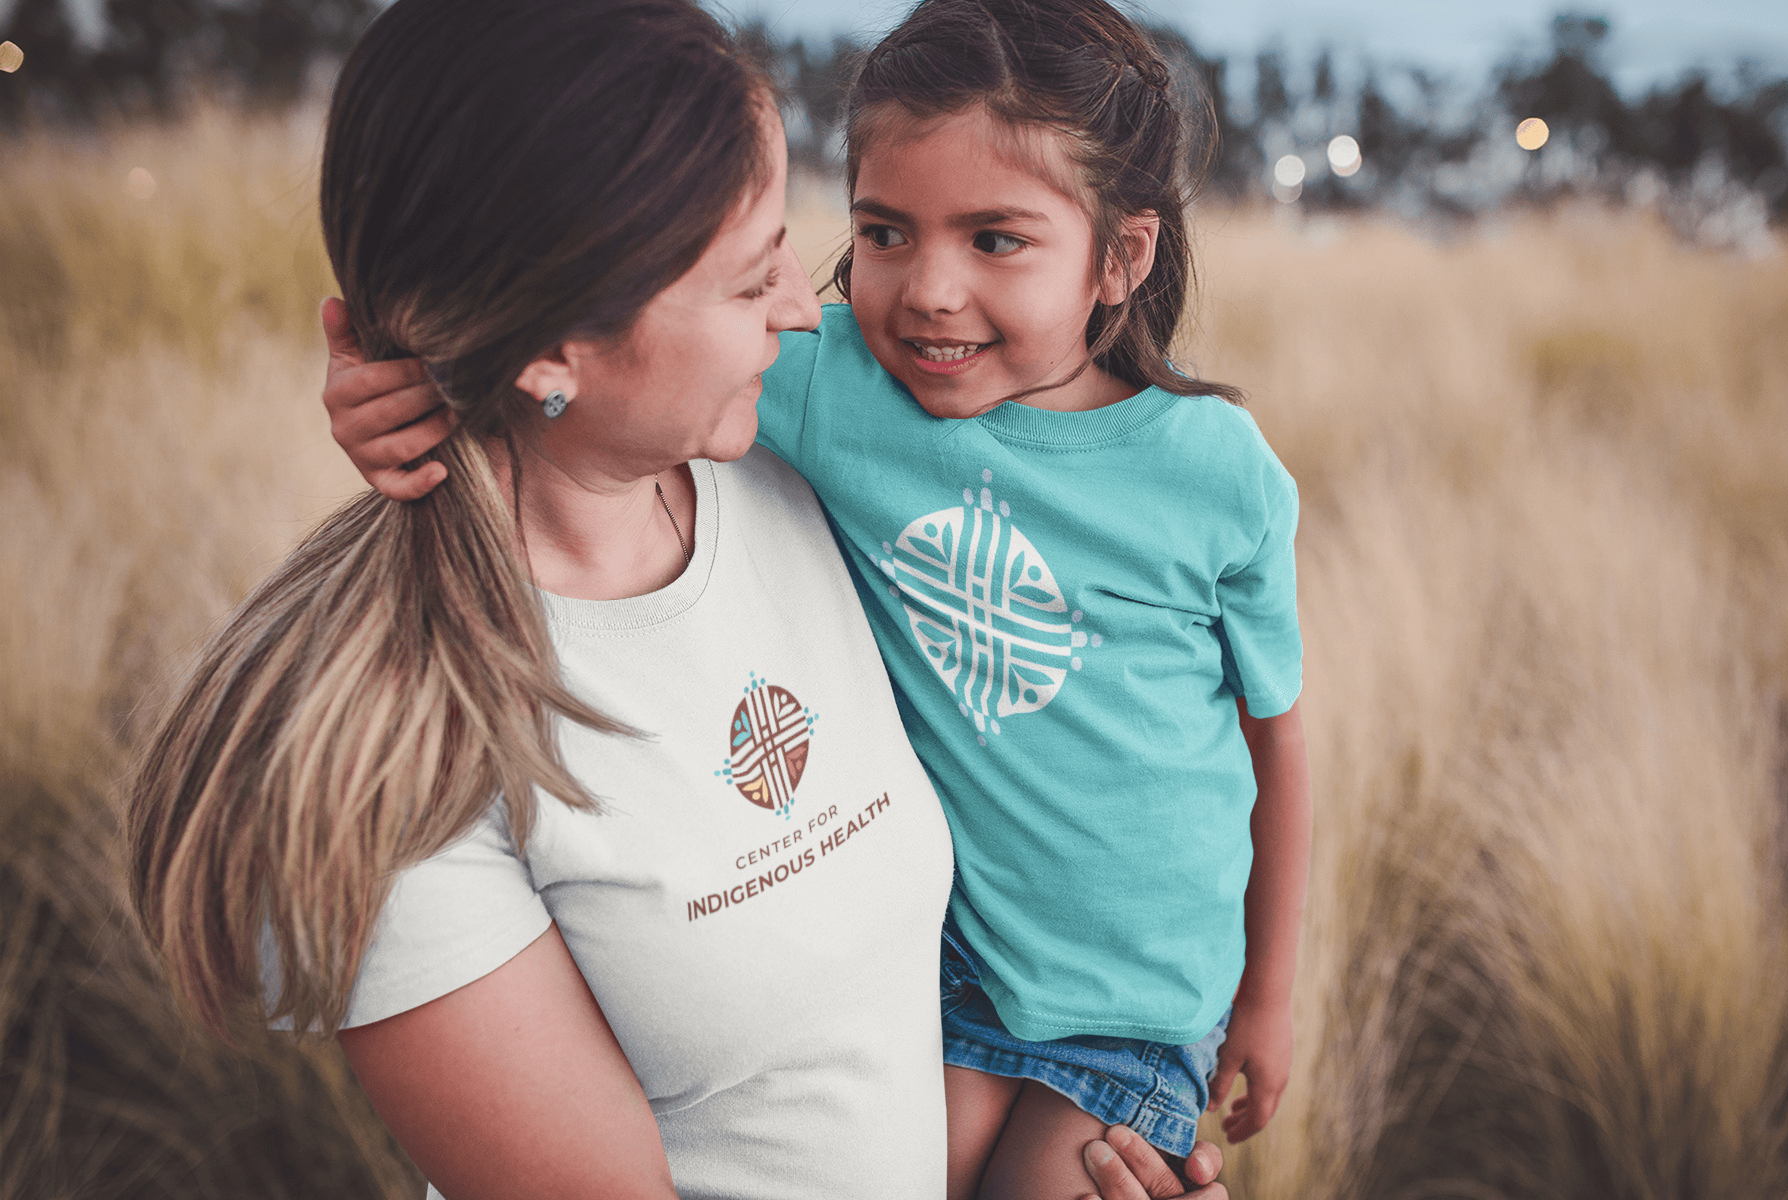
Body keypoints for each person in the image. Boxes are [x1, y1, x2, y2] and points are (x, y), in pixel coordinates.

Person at [125, 1, 1228, 1198]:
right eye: (751, 279)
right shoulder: (388, 757)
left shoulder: (792, 469)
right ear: (554, 349)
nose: (810, 311)